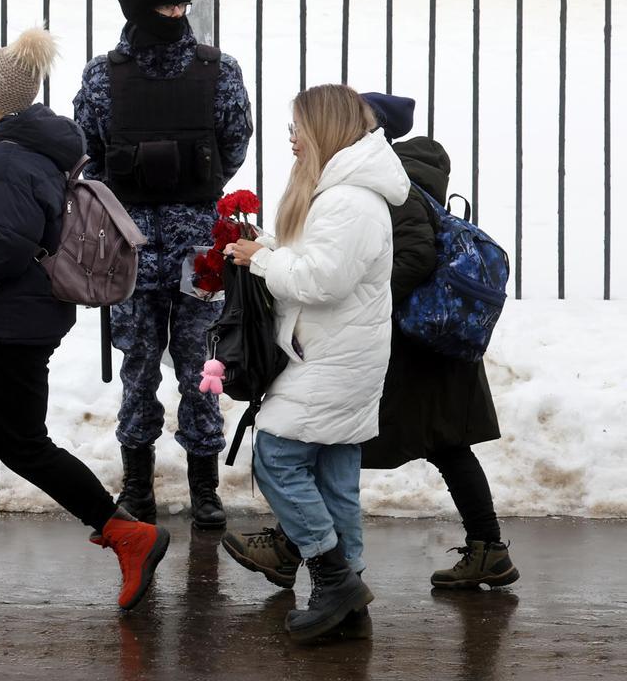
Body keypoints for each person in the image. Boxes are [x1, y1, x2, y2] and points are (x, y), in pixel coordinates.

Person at [0, 27, 169, 612]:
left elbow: (4, 246)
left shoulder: (11, 162)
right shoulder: (19, 150)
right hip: (2, 317)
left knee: (20, 442)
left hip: (15, 321)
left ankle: (128, 534)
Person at [222, 93, 518, 603]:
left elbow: (408, 259)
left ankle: (318, 558)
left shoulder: (382, 190)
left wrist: (373, 306)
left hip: (412, 342)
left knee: (335, 447)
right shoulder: (387, 181)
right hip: (411, 340)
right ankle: (324, 562)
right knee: (348, 449)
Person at [223, 84, 409, 643]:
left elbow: (321, 280)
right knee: (334, 478)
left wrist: (263, 261)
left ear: (323, 129)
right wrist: (268, 245)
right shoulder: (341, 192)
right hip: (338, 354)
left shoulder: (350, 199)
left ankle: (333, 579)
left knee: (277, 456)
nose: (291, 138)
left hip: (333, 358)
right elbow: (316, 257)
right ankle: (348, 602)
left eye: (298, 127)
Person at [73, 0, 253, 530]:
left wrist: (192, 192)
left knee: (202, 370)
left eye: (181, 5)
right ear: (137, 10)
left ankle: (205, 488)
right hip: (130, 252)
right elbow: (90, 153)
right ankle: (138, 488)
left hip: (199, 251)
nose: (175, 14)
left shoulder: (218, 71)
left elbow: (233, 144)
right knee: (138, 370)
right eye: (163, 7)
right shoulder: (103, 77)